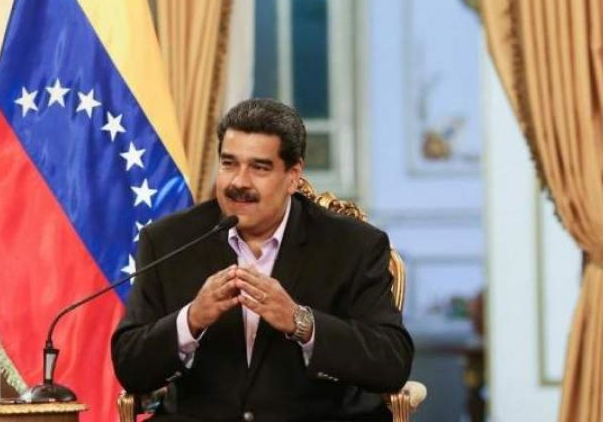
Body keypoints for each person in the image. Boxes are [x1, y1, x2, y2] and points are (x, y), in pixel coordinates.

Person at [112, 98, 413, 421]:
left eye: (259, 168)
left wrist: (301, 323)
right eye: (229, 164)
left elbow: (391, 362)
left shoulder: (353, 245)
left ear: (293, 176)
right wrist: (192, 319)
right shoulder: (169, 240)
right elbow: (130, 367)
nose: (239, 182)